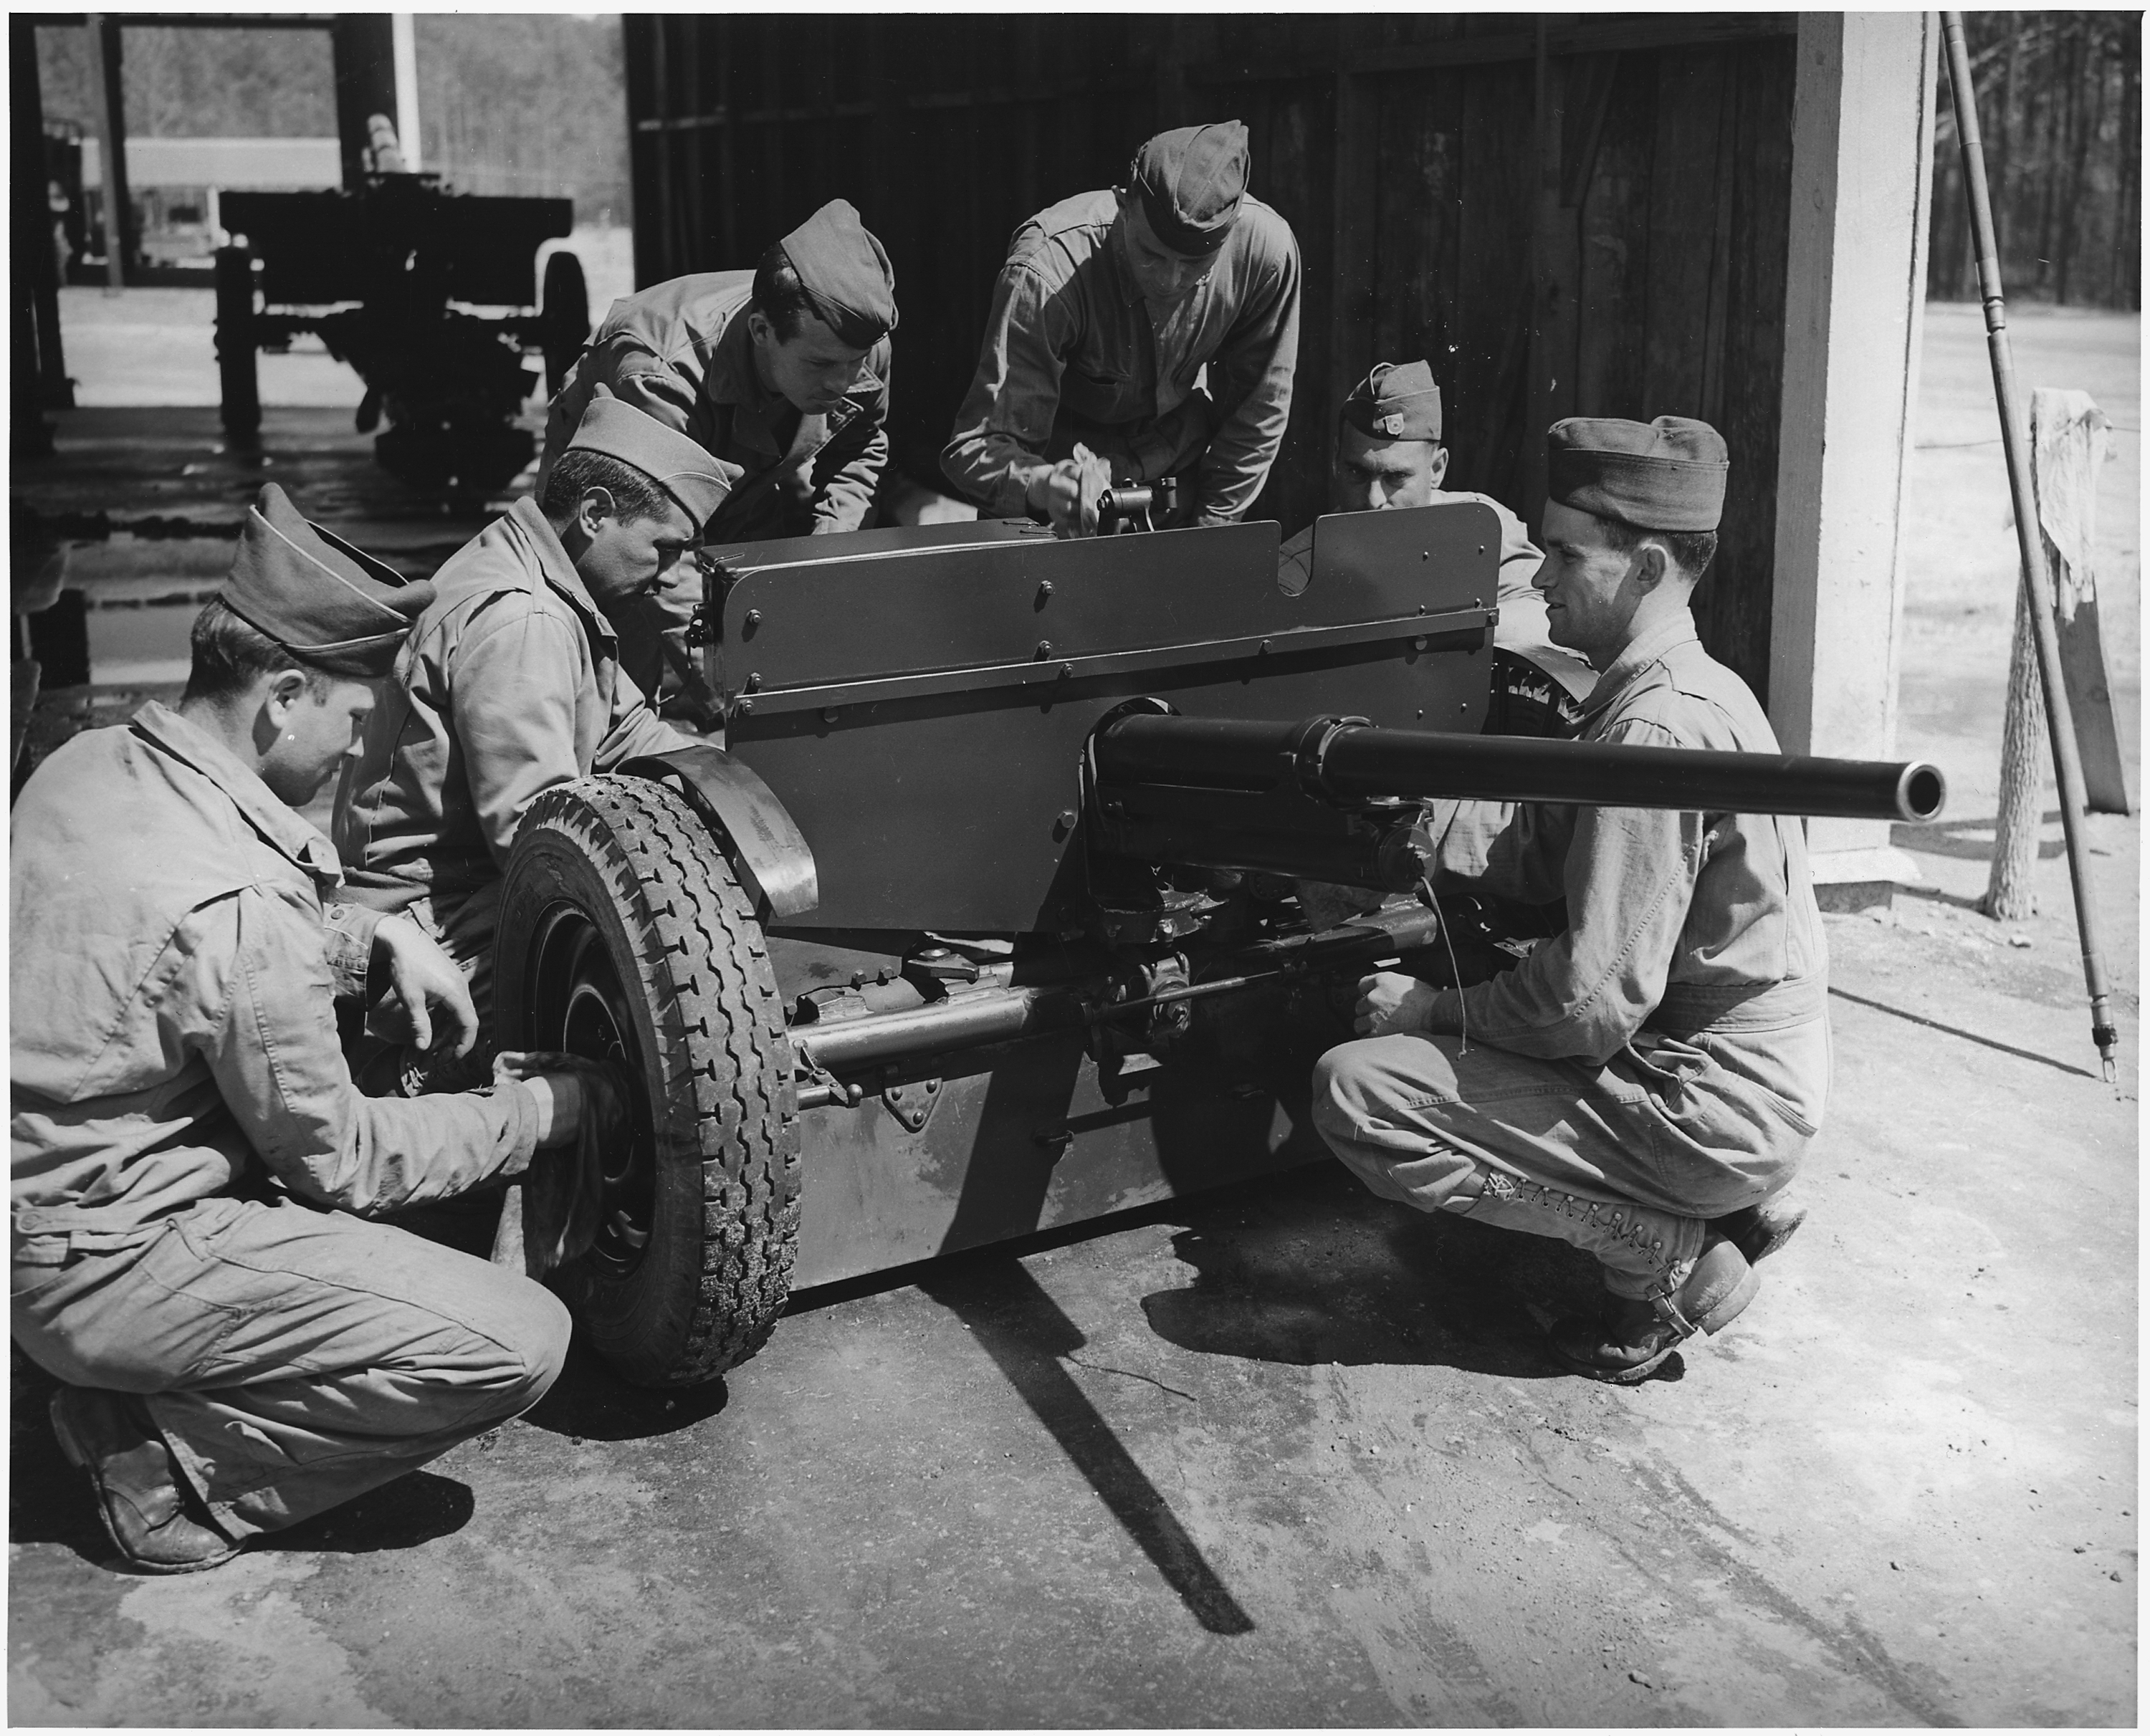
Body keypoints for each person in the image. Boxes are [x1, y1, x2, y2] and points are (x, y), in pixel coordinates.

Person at [12, 486, 596, 1573]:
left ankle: (100, 1371)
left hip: (33, 1197)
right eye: (356, 718)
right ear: (284, 695)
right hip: (97, 1260)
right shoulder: (244, 907)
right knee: (517, 1340)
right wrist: (539, 1113)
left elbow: (157, 950)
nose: (357, 749)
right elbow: (349, 1162)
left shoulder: (82, 763)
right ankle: (161, 1456)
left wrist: (358, 937)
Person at [1311, 416, 1821, 1384]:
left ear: (1647, 566)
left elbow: (1588, 1003)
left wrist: (1430, 1010)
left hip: (1701, 1103)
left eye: (1562, 555)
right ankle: (1717, 1208)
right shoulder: (1680, 690)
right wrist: (1400, 820)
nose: (1539, 578)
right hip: (1731, 1085)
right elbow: (1535, 844)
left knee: (1362, 1092)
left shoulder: (1659, 730)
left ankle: (1665, 1251)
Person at [338, 396, 735, 1092]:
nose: (673, 575)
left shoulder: (543, 574)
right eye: (664, 548)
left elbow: (627, 729)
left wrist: (742, 785)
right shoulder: (524, 618)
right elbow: (543, 843)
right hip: (433, 941)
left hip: (462, 904)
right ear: (593, 514)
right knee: (671, 979)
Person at [535, 198, 898, 717]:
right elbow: (654, 542)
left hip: (741, 474)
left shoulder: (854, 335)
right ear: (761, 332)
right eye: (820, 365)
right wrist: (726, 680)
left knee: (767, 631)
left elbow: (862, 446)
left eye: (854, 364)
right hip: (618, 504)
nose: (842, 383)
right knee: (616, 676)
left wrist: (826, 553)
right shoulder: (663, 373)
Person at [942, 119, 1300, 538]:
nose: (1169, 282)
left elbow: (1258, 411)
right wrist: (1043, 486)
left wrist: (1210, 533)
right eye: (1151, 255)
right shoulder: (1048, 271)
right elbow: (977, 449)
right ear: (1123, 205)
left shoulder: (1266, 254)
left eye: (1194, 266)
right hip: (1056, 510)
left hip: (1177, 487)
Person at [1277, 359, 1595, 739]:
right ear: (1334, 462)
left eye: (1396, 477)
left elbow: (1542, 617)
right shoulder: (1298, 566)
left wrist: (1419, 634)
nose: (1374, 499)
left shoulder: (1478, 523)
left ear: (1438, 468)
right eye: (1356, 472)